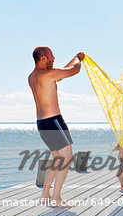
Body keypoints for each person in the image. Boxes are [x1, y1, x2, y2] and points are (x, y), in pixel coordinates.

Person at [28, 46, 85, 207]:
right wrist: (78, 59)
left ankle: (45, 194)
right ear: (43, 58)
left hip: (42, 123)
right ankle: (57, 197)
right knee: (67, 160)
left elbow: (61, 73)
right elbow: (74, 70)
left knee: (57, 159)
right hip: (54, 122)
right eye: (51, 56)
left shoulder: (33, 76)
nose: (54, 59)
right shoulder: (48, 74)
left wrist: (74, 57)